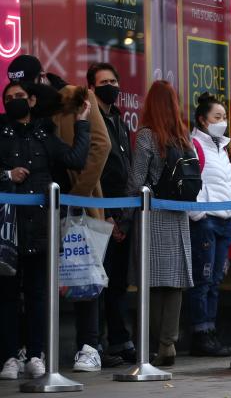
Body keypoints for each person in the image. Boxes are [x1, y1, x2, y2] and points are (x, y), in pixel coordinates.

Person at [8, 55, 111, 372]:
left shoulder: (77, 96)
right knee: (33, 279)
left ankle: (89, 345)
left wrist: (77, 194)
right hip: (32, 206)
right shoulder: (21, 109)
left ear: (41, 77)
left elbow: (100, 146)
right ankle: (33, 348)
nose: (24, 94)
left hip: (74, 197)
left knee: (83, 272)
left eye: (28, 86)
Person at [0, 81, 90, 381]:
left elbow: (76, 159)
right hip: (7, 229)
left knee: (38, 294)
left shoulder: (44, 134)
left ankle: (36, 355)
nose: (15, 101)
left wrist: (81, 124)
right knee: (7, 296)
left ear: (33, 99)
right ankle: (10, 357)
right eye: (9, 98)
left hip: (40, 226)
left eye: (20, 97)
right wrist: (7, 175)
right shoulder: (1, 132)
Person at [126, 81, 195, 367]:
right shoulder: (183, 137)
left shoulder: (145, 137)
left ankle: (155, 345)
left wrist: (124, 218)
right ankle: (169, 343)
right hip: (178, 215)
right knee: (174, 284)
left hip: (152, 214)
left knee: (152, 283)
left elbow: (136, 181)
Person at [87, 62, 136, 365]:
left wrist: (122, 217)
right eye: (104, 81)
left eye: (113, 80)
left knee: (117, 281)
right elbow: (97, 169)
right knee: (97, 281)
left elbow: (125, 168)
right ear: (91, 88)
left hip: (122, 211)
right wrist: (105, 213)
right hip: (99, 209)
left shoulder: (120, 120)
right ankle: (96, 344)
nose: (111, 86)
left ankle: (119, 340)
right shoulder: (91, 120)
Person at [187, 93, 231, 357]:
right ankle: (200, 333)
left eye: (224, 117)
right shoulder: (194, 145)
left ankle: (211, 330)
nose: (222, 122)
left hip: (225, 221)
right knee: (202, 279)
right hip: (206, 222)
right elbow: (194, 184)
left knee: (215, 280)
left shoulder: (221, 147)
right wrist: (199, 216)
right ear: (202, 120)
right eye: (217, 117)